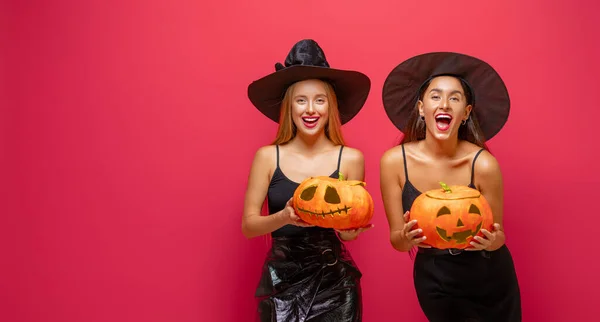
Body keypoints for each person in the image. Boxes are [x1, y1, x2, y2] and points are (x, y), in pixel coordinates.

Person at [379, 52, 522, 321]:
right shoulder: (395, 161)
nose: (444, 104)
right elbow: (397, 240)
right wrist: (407, 237)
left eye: (454, 98)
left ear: (466, 112)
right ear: (421, 108)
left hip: (489, 275)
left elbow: (499, 236)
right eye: (435, 96)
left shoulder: (483, 164)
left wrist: (492, 242)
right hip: (435, 276)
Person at [243, 39, 373, 322]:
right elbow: (249, 226)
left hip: (336, 282)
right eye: (301, 100)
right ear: (289, 107)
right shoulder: (268, 157)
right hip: (281, 279)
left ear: (330, 107)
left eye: (319, 100)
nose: (310, 109)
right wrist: (285, 216)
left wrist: (354, 228)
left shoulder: (350, 159)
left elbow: (346, 232)